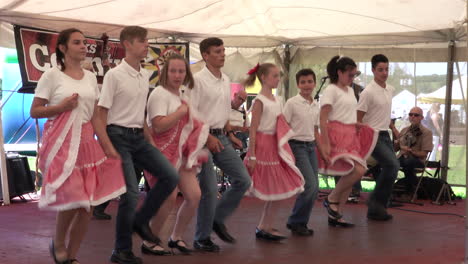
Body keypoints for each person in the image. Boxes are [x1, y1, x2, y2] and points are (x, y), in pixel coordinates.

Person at [31, 28, 126, 264]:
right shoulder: (52, 76)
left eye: (84, 42)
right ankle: (59, 242)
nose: (84, 46)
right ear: (63, 48)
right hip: (62, 143)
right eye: (77, 43)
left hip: (85, 142)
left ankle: (70, 256)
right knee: (74, 200)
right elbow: (35, 111)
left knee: (87, 207)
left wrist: (107, 147)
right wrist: (60, 107)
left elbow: (95, 116)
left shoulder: (90, 77)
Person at [95, 26, 179, 264]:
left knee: (170, 176)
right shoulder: (114, 75)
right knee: (130, 194)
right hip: (117, 135)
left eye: (147, 41)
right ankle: (121, 250)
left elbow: (139, 112)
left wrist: (149, 138)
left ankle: (141, 221)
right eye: (143, 42)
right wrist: (106, 145)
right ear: (127, 44)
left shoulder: (144, 74)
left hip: (138, 137)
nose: (146, 45)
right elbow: (102, 112)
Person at [141, 54, 208, 256]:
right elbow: (159, 126)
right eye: (173, 71)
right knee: (168, 197)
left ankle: (176, 236)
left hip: (179, 153)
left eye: (181, 71)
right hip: (160, 154)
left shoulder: (181, 96)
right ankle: (149, 240)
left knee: (194, 195)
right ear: (164, 72)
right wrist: (180, 113)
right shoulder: (159, 94)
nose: (178, 75)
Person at [189, 37, 251, 252]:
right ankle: (201, 238)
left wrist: (230, 132)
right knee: (208, 189)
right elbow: (191, 115)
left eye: (223, 50)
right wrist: (207, 138)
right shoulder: (196, 80)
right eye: (218, 51)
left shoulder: (225, 79)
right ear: (205, 55)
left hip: (221, 136)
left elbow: (223, 110)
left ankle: (217, 218)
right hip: (201, 140)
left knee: (243, 180)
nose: (223, 54)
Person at [244, 63, 304, 241]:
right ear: (263, 77)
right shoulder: (259, 101)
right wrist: (252, 154)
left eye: (279, 76)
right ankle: (264, 226)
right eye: (275, 76)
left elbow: (280, 123)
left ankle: (265, 225)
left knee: (279, 188)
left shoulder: (278, 100)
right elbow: (253, 129)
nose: (278, 79)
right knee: (274, 187)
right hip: (263, 145)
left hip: (275, 145)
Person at [317, 55, 377, 227]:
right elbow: (323, 118)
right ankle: (332, 198)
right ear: (339, 72)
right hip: (336, 134)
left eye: (354, 75)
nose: (353, 78)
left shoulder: (350, 90)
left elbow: (347, 112)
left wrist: (355, 123)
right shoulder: (331, 90)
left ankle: (336, 214)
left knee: (351, 173)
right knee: (359, 169)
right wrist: (326, 143)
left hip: (351, 134)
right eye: (350, 75)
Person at [357, 54, 399, 221]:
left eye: (387, 69)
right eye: (380, 69)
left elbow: (383, 114)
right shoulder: (367, 92)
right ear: (373, 70)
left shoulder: (390, 89)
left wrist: (394, 129)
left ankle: (377, 208)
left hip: (385, 134)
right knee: (393, 165)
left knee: (392, 167)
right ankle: (375, 202)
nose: (384, 72)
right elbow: (358, 118)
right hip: (372, 135)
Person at [283, 68, 322, 236]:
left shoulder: (315, 104)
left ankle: (299, 222)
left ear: (314, 83)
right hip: (296, 146)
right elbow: (283, 126)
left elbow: (315, 130)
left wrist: (323, 151)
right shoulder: (292, 103)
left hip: (311, 147)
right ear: (298, 84)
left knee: (314, 187)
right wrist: (283, 150)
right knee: (310, 185)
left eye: (310, 81)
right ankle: (296, 221)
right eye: (303, 82)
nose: (307, 85)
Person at [395, 107, 433, 192]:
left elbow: (424, 154)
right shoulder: (404, 130)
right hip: (402, 157)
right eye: (410, 114)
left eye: (416, 115)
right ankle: (385, 190)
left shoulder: (426, 132)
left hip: (417, 160)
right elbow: (395, 149)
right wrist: (396, 140)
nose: (412, 117)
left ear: (421, 118)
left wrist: (410, 151)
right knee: (387, 162)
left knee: (408, 161)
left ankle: (410, 191)